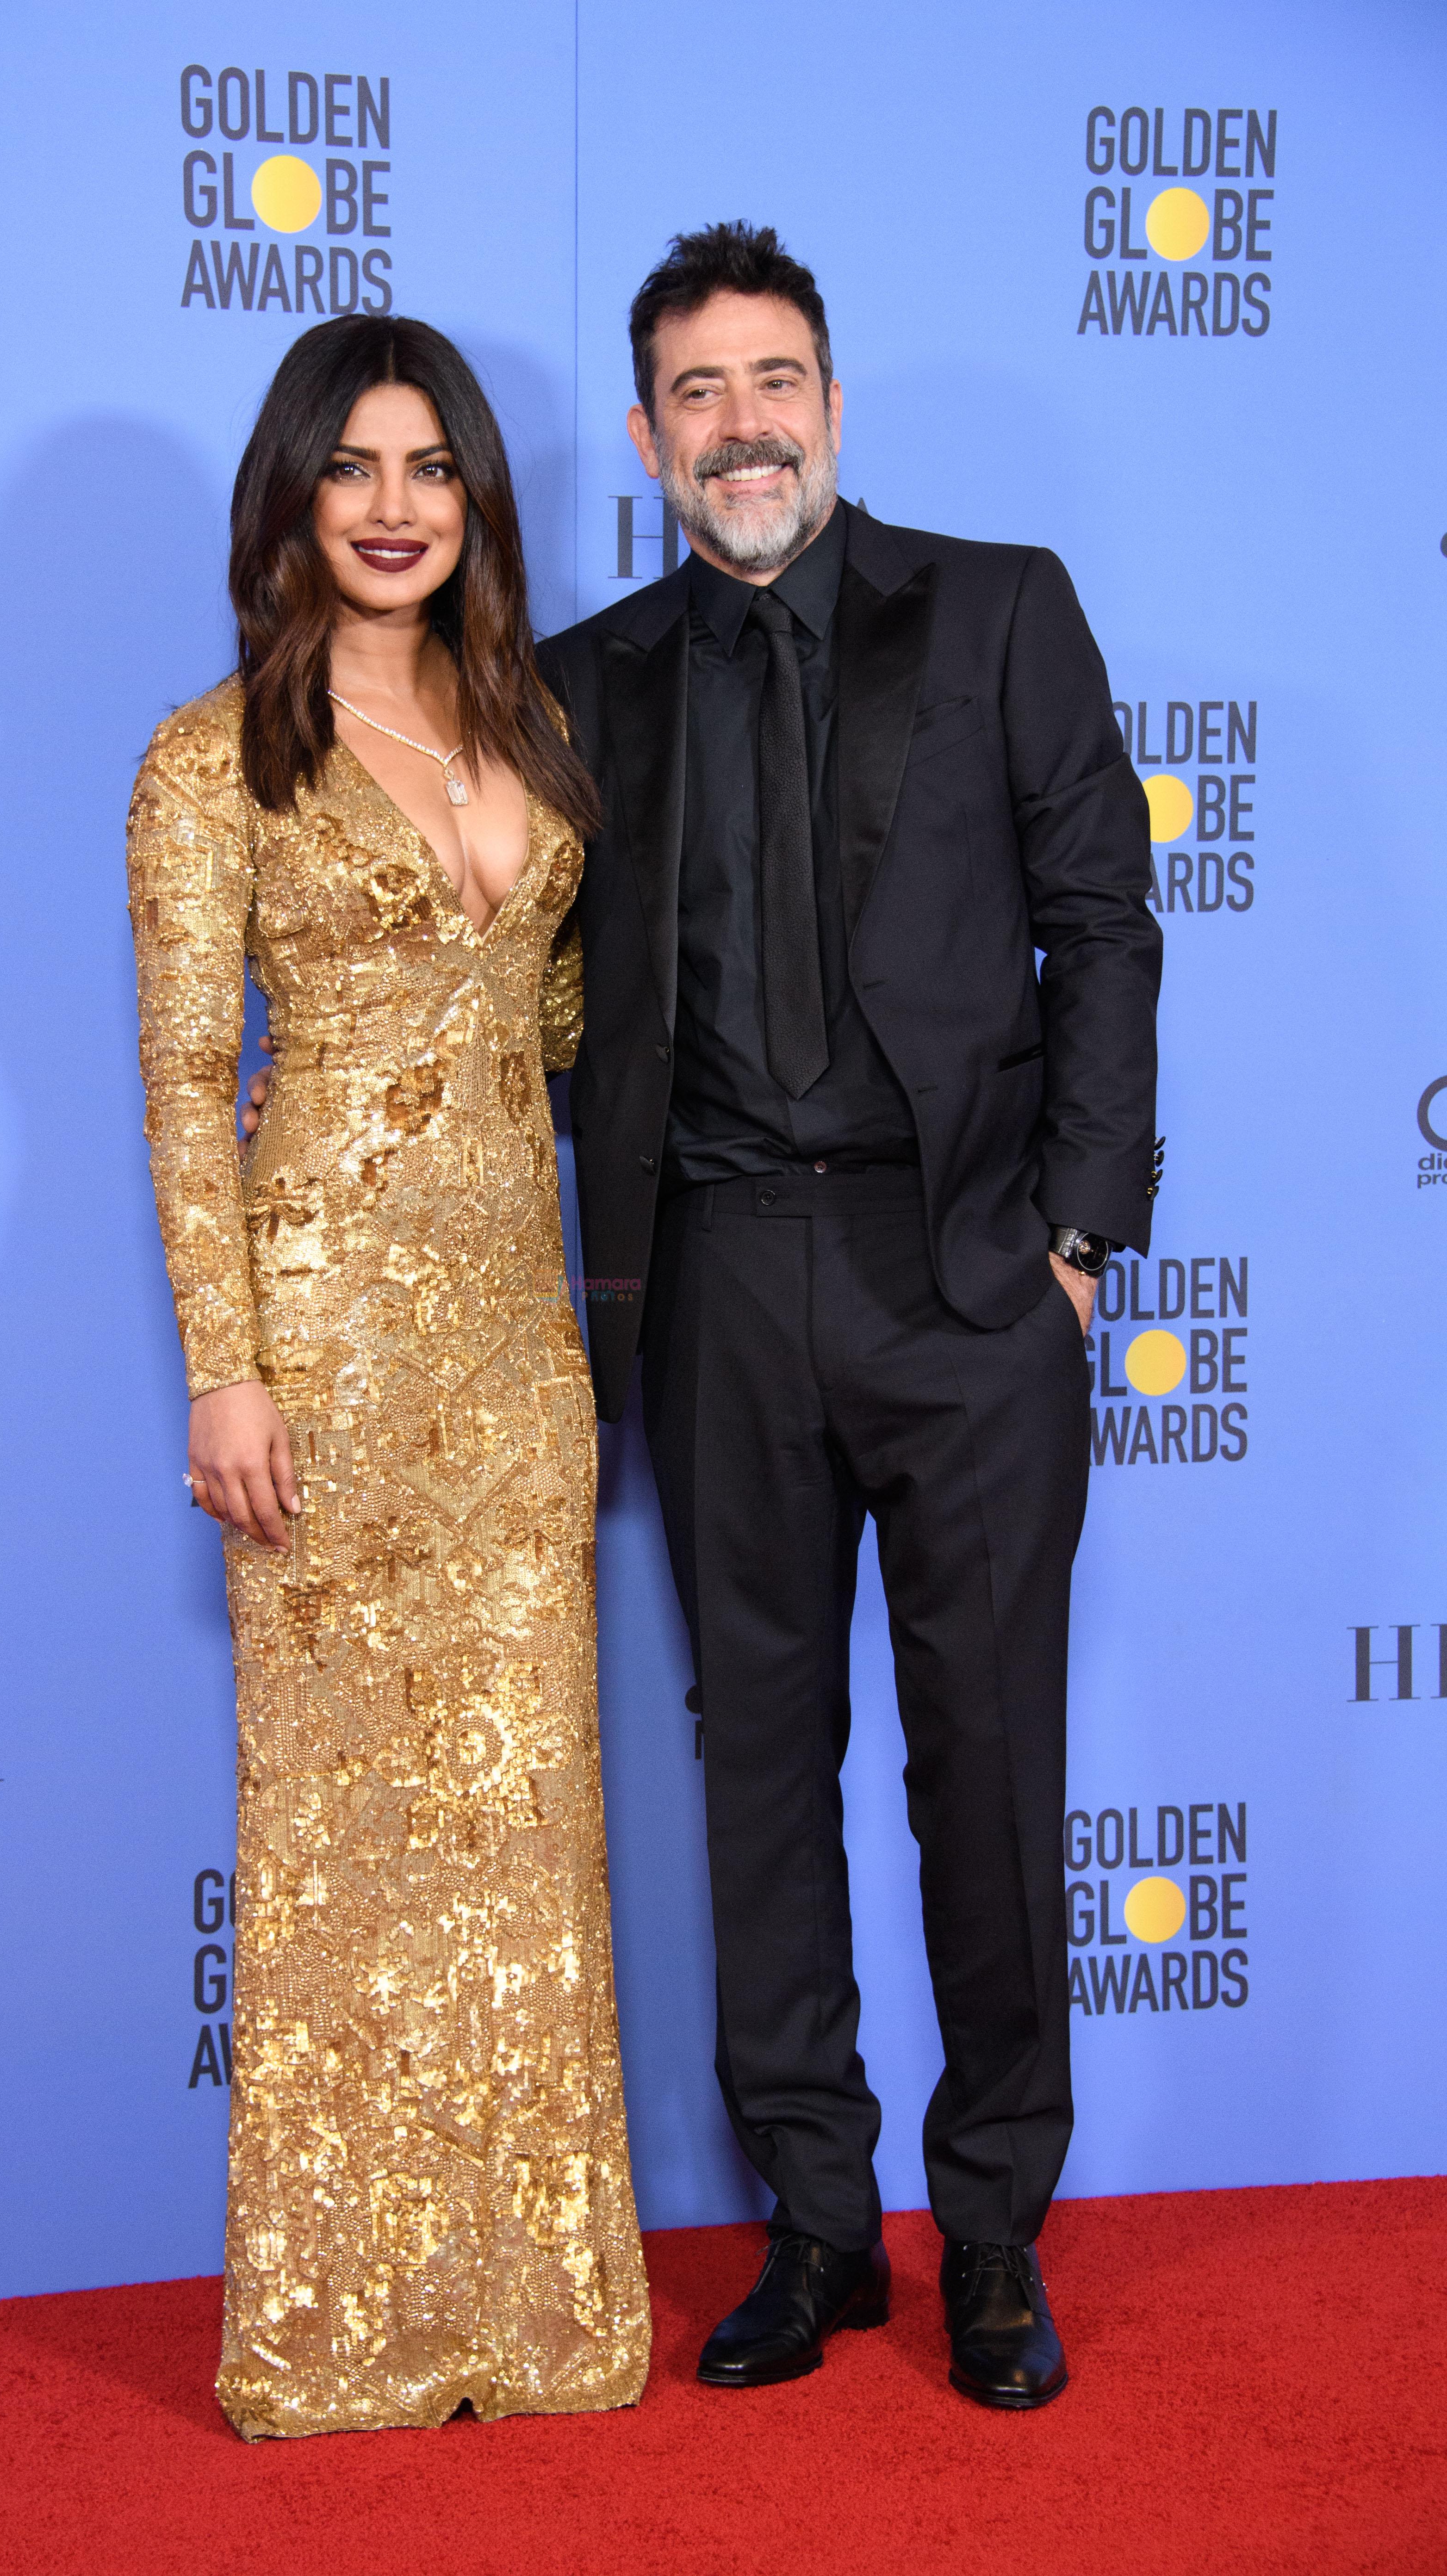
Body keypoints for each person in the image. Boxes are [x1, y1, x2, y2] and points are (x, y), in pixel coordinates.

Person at [536, 221, 1162, 2409]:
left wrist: (1077, 1238)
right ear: (646, 436)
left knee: (987, 1772)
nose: (742, 424)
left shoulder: (995, 607)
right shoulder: (582, 680)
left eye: (773, 378)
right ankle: (814, 2231)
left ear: (831, 397)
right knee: (758, 1786)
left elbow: (1102, 924)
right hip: (712, 1279)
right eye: (697, 393)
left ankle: (993, 2235)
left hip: (964, 1277)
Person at [125, 314, 650, 2441]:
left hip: (518, 1354)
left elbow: (566, 1045)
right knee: (343, 1849)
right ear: (288, 496)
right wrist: (222, 1373)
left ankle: (534, 2323)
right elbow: (180, 1086)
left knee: (527, 1832)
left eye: (431, 465)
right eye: (350, 466)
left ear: (477, 502)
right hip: (323, 1362)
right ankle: (339, 2335)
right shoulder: (204, 759)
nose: (394, 503)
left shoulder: (535, 732)